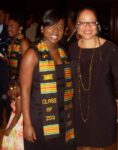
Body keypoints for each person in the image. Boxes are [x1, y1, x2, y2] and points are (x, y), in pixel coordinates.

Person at [69, 7, 118, 150]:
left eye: (92, 22)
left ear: (97, 25)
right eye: (82, 22)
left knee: (104, 144)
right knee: (82, 145)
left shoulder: (110, 49)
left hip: (104, 108)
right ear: (76, 26)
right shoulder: (71, 50)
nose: (87, 27)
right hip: (78, 109)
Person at [20, 9, 75, 150]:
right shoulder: (32, 54)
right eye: (51, 26)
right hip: (40, 119)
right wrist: (27, 124)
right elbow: (25, 91)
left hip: (64, 118)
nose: (56, 30)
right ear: (42, 28)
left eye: (60, 27)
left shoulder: (64, 53)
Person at [1, 79, 23, 150]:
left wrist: (9, 129)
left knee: (13, 137)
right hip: (14, 118)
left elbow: (17, 115)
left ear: (20, 87)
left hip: (17, 122)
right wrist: (12, 95)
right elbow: (10, 93)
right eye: (11, 88)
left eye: (14, 88)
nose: (12, 90)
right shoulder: (18, 97)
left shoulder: (19, 100)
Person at [7, 12, 30, 79]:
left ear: (20, 28)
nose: (8, 29)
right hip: (12, 80)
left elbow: (27, 68)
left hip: (20, 81)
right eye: (8, 26)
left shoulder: (23, 43)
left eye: (12, 26)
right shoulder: (12, 41)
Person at [0, 8, 11, 128]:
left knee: (6, 96)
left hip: (4, 70)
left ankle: (8, 122)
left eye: (1, 15)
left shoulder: (8, 31)